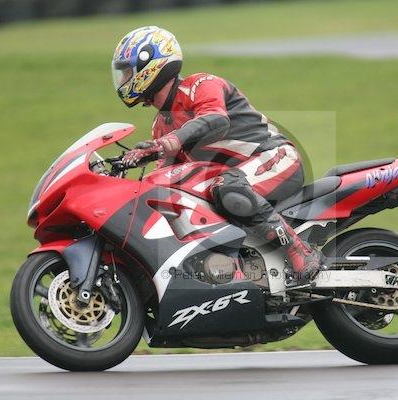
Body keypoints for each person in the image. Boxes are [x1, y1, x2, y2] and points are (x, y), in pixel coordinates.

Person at [112, 26, 323, 286]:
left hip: (274, 157)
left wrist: (170, 142)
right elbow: (165, 178)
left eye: (128, 72)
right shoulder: (160, 125)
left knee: (227, 188)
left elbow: (215, 119)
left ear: (151, 65)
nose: (124, 79)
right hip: (236, 176)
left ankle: (300, 251)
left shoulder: (200, 84)